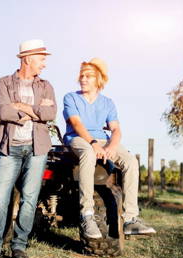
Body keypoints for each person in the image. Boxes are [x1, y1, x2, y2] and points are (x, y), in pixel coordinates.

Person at [0, 39, 57, 258]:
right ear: (28, 59)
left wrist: (22, 107)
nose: (44, 64)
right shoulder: (4, 83)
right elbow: (5, 112)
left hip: (37, 149)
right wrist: (33, 112)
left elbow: (50, 113)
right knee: (0, 199)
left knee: (29, 200)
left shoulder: (46, 86)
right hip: (10, 148)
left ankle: (19, 249)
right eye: (42, 59)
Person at [63, 58, 156, 239]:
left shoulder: (107, 103)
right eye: (81, 75)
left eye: (88, 76)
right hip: (79, 138)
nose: (83, 79)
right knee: (89, 154)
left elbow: (115, 129)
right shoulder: (71, 98)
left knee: (130, 161)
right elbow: (76, 123)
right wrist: (93, 143)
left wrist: (112, 147)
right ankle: (87, 215)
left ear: (99, 79)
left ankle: (130, 219)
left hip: (102, 139)